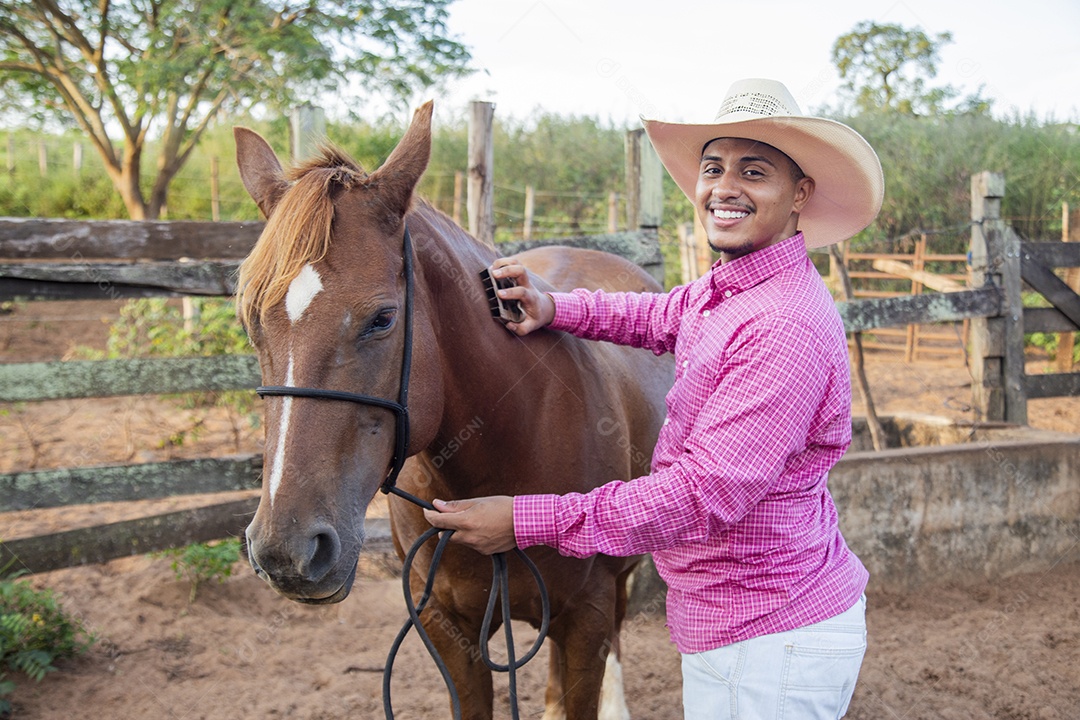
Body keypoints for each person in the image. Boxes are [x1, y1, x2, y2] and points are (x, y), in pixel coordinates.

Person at [424, 78, 884, 718]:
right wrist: (558, 305)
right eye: (714, 167)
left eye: (755, 172)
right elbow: (663, 315)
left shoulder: (783, 328)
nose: (725, 187)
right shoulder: (733, 288)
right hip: (737, 623)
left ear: (800, 193)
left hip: (770, 637)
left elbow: (701, 496)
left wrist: (529, 520)